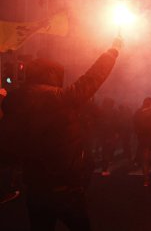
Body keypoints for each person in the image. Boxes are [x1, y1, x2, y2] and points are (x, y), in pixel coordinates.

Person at [0, 37, 122, 231]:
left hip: (35, 188)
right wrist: (112, 51)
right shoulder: (59, 98)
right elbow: (91, 79)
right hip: (66, 188)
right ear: (51, 75)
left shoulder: (15, 101)